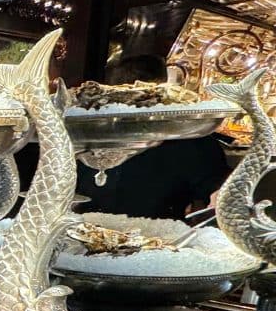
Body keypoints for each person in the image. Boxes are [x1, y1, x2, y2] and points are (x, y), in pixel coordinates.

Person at [75, 53, 231, 219]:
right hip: (91, 233)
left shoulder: (190, 141)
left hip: (157, 237)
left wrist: (220, 194)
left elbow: (218, 187)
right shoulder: (192, 138)